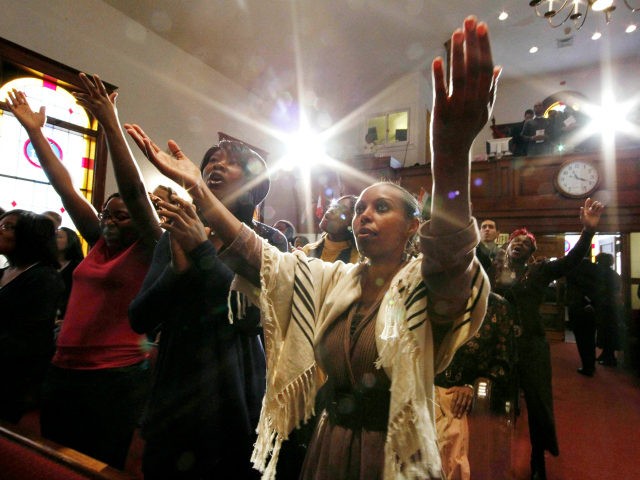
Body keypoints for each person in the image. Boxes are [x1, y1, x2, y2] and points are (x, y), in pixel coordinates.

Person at [126, 15, 496, 479]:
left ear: (412, 228)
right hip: (329, 441)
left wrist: (451, 153)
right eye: (361, 207)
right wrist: (198, 188)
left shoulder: (422, 288)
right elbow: (256, 256)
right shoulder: (337, 280)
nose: (364, 214)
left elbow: (449, 258)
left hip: (389, 452)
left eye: (381, 208)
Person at [6, 74, 162, 469]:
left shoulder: (150, 247)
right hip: (64, 370)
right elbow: (65, 188)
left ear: (140, 220)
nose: (110, 220)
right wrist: (34, 132)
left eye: (121, 216)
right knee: (55, 461)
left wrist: (109, 122)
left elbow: (135, 194)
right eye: (106, 214)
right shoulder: (98, 243)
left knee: (94, 465)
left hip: (113, 378)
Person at [128, 140, 286, 479]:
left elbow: (250, 317)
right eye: (211, 160)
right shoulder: (176, 233)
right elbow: (139, 318)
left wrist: (201, 252)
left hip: (234, 385)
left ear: (251, 187)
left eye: (229, 163)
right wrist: (177, 270)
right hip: (175, 386)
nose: (215, 166)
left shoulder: (268, 241)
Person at [492, 199, 604, 480]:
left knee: (538, 402)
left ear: (532, 252)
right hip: (500, 345)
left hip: (531, 344)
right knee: (496, 400)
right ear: (507, 246)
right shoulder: (494, 272)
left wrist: (587, 231)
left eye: (525, 243)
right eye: (514, 241)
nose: (518, 245)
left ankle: (537, 458)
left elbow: (570, 261)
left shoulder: (540, 271)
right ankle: (494, 453)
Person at [434, 292, 514, 480]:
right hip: (429, 392)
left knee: (451, 448)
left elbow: (503, 363)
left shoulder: (496, 305)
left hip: (466, 398)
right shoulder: (434, 296)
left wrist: (472, 386)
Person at [0, 210, 64, 423]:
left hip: (12, 375)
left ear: (28, 235)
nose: (0, 231)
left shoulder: (43, 278)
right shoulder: (5, 272)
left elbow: (29, 338)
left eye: (7, 227)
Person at [565, 255, 599, 376]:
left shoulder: (573, 270)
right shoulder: (595, 270)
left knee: (581, 339)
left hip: (577, 309)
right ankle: (591, 365)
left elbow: (570, 291)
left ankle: (587, 366)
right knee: (590, 338)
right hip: (591, 309)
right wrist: (592, 303)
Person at [302, 195, 359, 263]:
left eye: (340, 209)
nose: (331, 210)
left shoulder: (358, 258)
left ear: (352, 221)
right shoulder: (307, 250)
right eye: (333, 206)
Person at [594, 252, 622, 367]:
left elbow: (602, 290)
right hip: (612, 305)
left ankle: (609, 356)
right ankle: (606, 354)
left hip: (607, 306)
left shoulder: (604, 274)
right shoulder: (613, 274)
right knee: (607, 330)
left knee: (607, 330)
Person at [55, 227, 84, 321]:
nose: (53, 239)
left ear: (70, 241)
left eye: (58, 237)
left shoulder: (78, 268)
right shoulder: (45, 265)